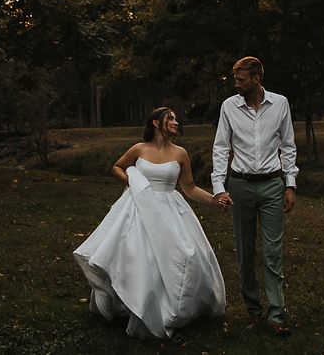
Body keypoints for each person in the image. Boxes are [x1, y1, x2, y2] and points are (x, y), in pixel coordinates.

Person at [73, 107, 229, 339]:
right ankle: (130, 304)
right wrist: (133, 183)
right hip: (138, 208)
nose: (176, 122)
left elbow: (189, 188)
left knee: (181, 256)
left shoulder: (180, 153)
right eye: (171, 118)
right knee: (138, 257)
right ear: (156, 123)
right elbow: (117, 166)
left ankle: (171, 306)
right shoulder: (139, 149)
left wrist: (214, 199)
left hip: (169, 210)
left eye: (177, 119)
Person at [211, 56, 298, 337]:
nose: (236, 84)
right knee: (245, 251)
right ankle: (254, 312)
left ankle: (276, 315)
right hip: (240, 186)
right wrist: (219, 187)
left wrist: (290, 184)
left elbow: (288, 145)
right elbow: (221, 148)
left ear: (256, 79)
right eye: (235, 79)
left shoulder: (280, 104)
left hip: (273, 185)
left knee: (273, 252)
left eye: (241, 79)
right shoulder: (229, 107)